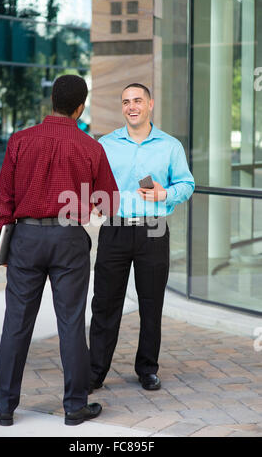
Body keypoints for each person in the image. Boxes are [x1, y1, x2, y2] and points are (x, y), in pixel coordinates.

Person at [0, 74, 119, 426]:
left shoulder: (19, 140)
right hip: (68, 239)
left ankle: (4, 408)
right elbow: (107, 203)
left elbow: (5, 201)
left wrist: (3, 243)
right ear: (80, 108)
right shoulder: (91, 147)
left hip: (26, 240)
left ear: (52, 102)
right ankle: (75, 407)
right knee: (71, 324)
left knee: (16, 323)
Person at [89, 83, 194, 393]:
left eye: (137, 100)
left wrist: (166, 193)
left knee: (151, 303)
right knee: (105, 303)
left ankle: (147, 368)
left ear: (150, 104)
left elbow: (187, 184)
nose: (131, 106)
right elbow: (93, 182)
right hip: (115, 228)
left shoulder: (170, 146)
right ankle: (95, 371)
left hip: (154, 228)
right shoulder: (106, 144)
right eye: (125, 102)